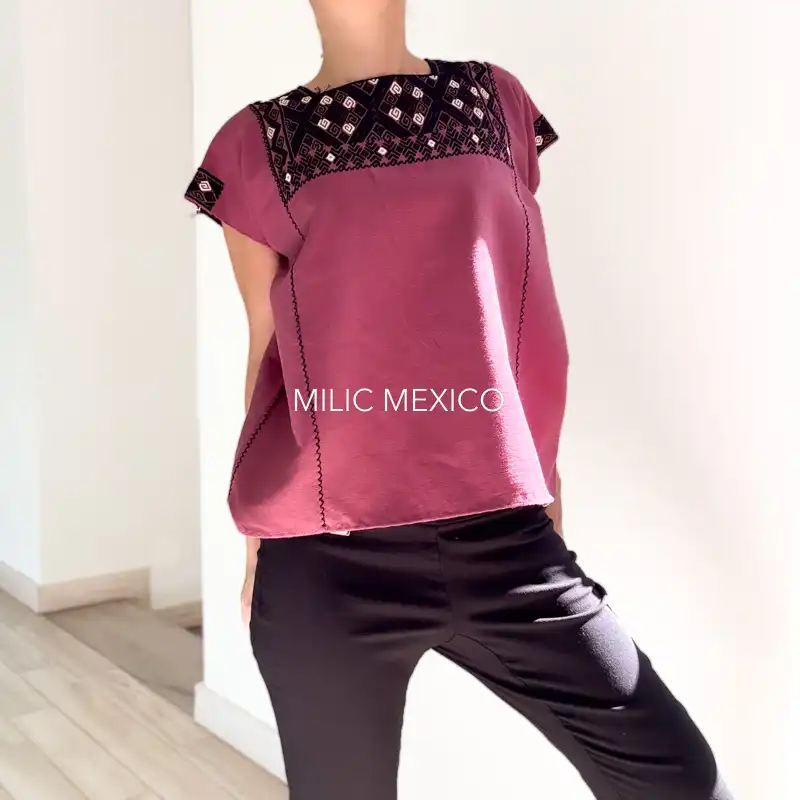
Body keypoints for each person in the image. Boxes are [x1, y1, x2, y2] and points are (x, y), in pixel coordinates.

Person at [184, 1, 732, 798]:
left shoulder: (495, 101)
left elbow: (523, 307)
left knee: (678, 776)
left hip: (504, 534)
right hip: (327, 556)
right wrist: (254, 546)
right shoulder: (255, 143)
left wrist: (547, 492)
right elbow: (268, 352)